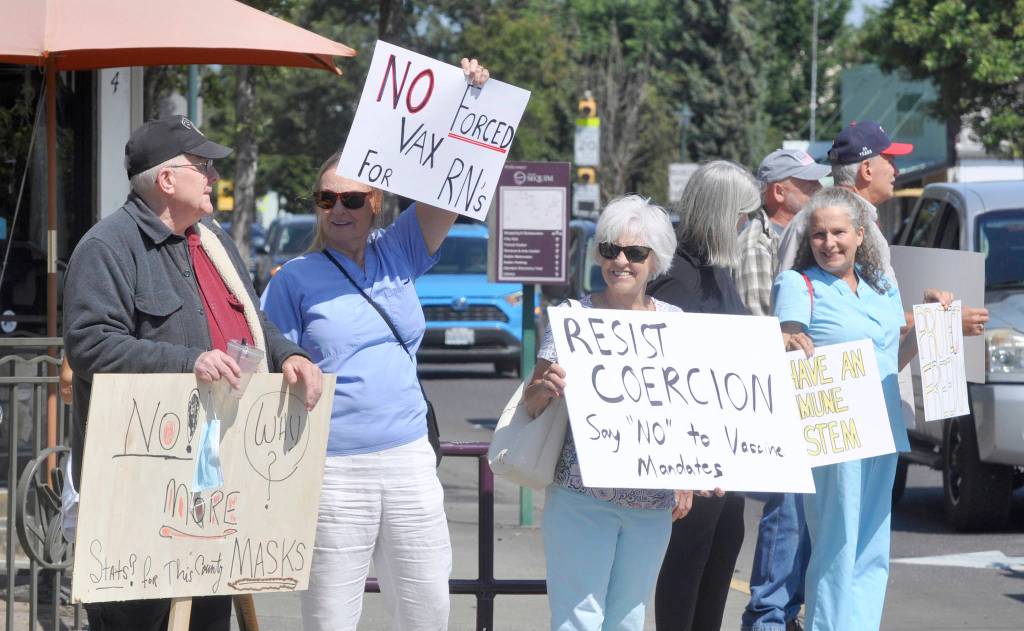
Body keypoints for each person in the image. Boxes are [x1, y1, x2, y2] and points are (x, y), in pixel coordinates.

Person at [63, 114, 323, 631]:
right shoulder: (107, 248)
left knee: (206, 617)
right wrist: (188, 362)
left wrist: (287, 353)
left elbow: (253, 318)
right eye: (202, 165)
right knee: (137, 620)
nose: (212, 176)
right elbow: (91, 344)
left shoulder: (213, 241)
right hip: (138, 489)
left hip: (213, 483)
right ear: (165, 180)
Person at [259, 58, 490, 631]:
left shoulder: (401, 250)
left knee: (428, 607)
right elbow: (266, 350)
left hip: (410, 456)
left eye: (352, 199)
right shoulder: (293, 278)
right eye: (325, 200)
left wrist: (468, 101)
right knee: (331, 615)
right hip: (332, 465)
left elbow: (451, 180)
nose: (338, 210)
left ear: (376, 202)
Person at [773, 186, 954, 631]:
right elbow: (786, 337)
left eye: (838, 233)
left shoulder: (882, 287)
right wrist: (789, 338)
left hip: (883, 428)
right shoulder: (799, 284)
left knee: (871, 548)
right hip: (835, 432)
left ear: (859, 235)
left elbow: (894, 357)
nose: (828, 243)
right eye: (818, 235)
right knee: (836, 544)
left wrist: (932, 318)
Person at [525, 194, 685, 631]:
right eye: (610, 249)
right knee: (578, 619)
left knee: (629, 619)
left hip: (651, 504)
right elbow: (531, 403)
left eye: (635, 253)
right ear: (598, 254)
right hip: (580, 498)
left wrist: (689, 473)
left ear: (656, 260)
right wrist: (546, 386)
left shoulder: (677, 322)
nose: (621, 261)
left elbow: (688, 412)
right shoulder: (573, 317)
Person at [647, 160, 758, 631]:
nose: (745, 225)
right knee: (685, 576)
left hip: (721, 457)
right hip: (688, 459)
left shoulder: (717, 268)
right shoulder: (678, 277)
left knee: (717, 566)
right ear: (721, 213)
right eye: (741, 215)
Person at [738, 149, 828, 631]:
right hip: (777, 394)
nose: (815, 193)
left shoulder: (795, 241)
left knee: (801, 508)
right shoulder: (758, 246)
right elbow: (761, 325)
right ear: (779, 191)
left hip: (803, 389)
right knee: (788, 511)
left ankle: (783, 611)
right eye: (806, 185)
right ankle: (769, 617)